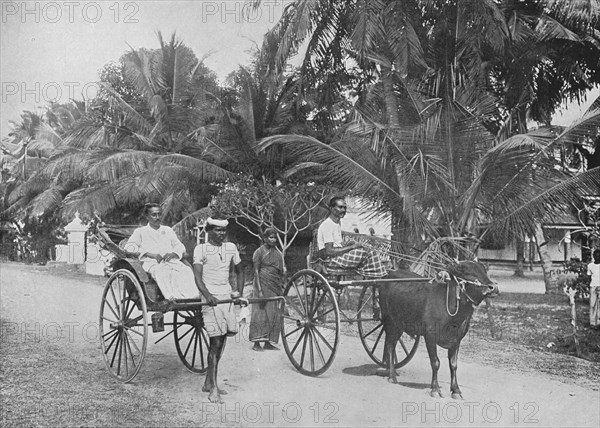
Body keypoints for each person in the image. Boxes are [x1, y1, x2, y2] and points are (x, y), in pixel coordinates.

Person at [193, 217, 245, 403]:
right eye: (217, 230)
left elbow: (240, 270)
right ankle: (213, 388)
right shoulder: (200, 249)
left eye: (223, 230)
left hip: (226, 296)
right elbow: (198, 279)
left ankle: (208, 381)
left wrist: (237, 291)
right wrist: (207, 296)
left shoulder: (231, 247)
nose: (221, 233)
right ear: (208, 230)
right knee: (215, 341)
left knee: (223, 338)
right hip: (210, 297)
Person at [126, 203, 199, 301]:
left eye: (159, 214)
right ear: (147, 216)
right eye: (154, 215)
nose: (157, 217)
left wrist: (174, 253)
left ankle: (190, 297)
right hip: (151, 263)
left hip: (171, 261)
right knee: (161, 272)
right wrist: (149, 254)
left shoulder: (168, 230)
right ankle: (172, 298)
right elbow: (129, 247)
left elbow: (179, 245)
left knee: (186, 271)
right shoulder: (140, 231)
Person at [317, 196, 387, 278]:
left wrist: (348, 243)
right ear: (331, 208)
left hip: (337, 256)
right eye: (340, 207)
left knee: (369, 249)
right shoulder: (327, 225)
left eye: (344, 208)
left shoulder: (337, 223)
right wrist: (353, 247)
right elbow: (329, 251)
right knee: (364, 252)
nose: (343, 210)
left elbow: (337, 245)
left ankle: (378, 275)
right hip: (330, 260)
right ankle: (378, 276)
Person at [250, 228, 286, 351]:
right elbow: (255, 271)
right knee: (260, 313)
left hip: (274, 284)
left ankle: (268, 342)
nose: (273, 239)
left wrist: (281, 283)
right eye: (271, 237)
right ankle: (256, 343)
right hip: (262, 283)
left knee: (273, 313)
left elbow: (280, 271)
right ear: (264, 238)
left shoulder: (277, 253)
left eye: (275, 237)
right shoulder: (259, 252)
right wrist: (259, 290)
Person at [587, 249, 600, 328]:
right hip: (593, 286)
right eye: (596, 256)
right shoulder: (590, 265)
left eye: (599, 256)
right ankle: (592, 322)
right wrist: (591, 286)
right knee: (592, 304)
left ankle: (598, 322)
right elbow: (589, 277)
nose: (597, 257)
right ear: (593, 256)